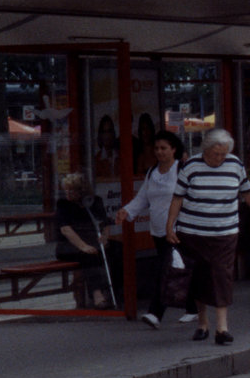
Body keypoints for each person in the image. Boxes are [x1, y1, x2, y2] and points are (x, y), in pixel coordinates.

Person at [166, 128, 250, 345]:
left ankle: (222, 328)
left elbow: (247, 193)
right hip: (193, 232)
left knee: (222, 275)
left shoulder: (235, 165)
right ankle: (203, 322)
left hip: (224, 232)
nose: (219, 158)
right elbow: (177, 198)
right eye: (215, 154)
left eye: (223, 154)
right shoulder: (191, 166)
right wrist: (169, 226)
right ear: (205, 150)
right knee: (199, 276)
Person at [116, 130, 199, 328]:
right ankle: (193, 307)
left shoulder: (181, 169)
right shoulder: (152, 172)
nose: (160, 152)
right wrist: (126, 211)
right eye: (157, 149)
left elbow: (194, 196)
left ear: (174, 149)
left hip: (179, 229)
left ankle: (155, 312)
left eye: (164, 148)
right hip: (158, 230)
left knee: (165, 270)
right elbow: (143, 197)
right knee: (178, 269)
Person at [54, 172, 114, 309]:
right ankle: (97, 294)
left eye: (72, 190)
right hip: (70, 245)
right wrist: (83, 246)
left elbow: (105, 223)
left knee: (117, 250)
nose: (68, 193)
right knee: (90, 254)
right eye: (66, 189)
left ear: (81, 190)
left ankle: (113, 291)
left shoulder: (95, 201)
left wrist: (104, 238)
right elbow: (65, 229)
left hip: (94, 240)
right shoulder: (63, 204)